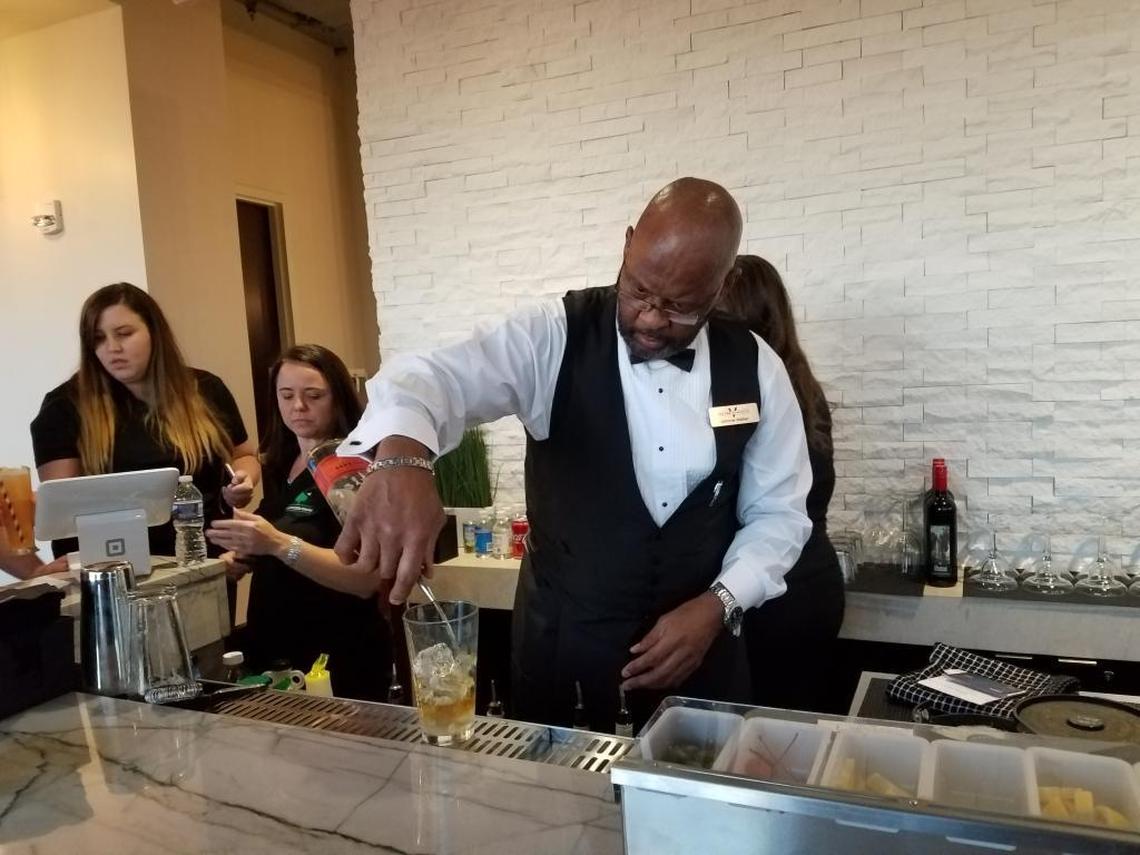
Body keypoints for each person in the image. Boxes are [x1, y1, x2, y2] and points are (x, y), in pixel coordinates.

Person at [334, 178, 813, 730]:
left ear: (723, 283)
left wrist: (719, 604)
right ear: (628, 243)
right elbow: (429, 376)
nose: (653, 319)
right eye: (639, 291)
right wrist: (402, 459)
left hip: (702, 663)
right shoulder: (552, 335)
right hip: (565, 658)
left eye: (680, 307)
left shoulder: (755, 365)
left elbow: (780, 513)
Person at [206, 345, 392, 702]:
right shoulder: (280, 463)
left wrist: (277, 544)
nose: (298, 407)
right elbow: (285, 538)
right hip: (276, 655)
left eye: (313, 395)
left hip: (338, 657)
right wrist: (245, 557)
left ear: (338, 397)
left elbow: (366, 579)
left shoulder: (352, 467)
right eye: (287, 395)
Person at [30, 283, 259, 559]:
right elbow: (66, 510)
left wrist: (244, 481)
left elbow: (244, 456)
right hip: (113, 565)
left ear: (154, 332)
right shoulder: (64, 407)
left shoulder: (205, 388)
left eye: (124, 334)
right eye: (98, 339)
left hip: (205, 558)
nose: (112, 348)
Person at [718, 255, 844, 713]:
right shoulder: (807, 388)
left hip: (770, 596)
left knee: (754, 737)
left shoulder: (750, 392)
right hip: (816, 583)